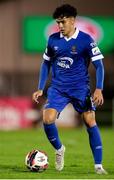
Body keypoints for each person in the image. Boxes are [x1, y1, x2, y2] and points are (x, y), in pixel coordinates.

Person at [32, 4, 107, 174]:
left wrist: (99, 89)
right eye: (58, 22)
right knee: (47, 118)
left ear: (73, 21)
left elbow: (99, 66)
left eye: (63, 22)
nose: (60, 26)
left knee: (89, 120)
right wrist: (40, 88)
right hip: (58, 88)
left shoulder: (86, 40)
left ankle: (98, 166)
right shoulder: (53, 39)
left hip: (81, 88)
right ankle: (59, 149)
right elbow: (45, 64)